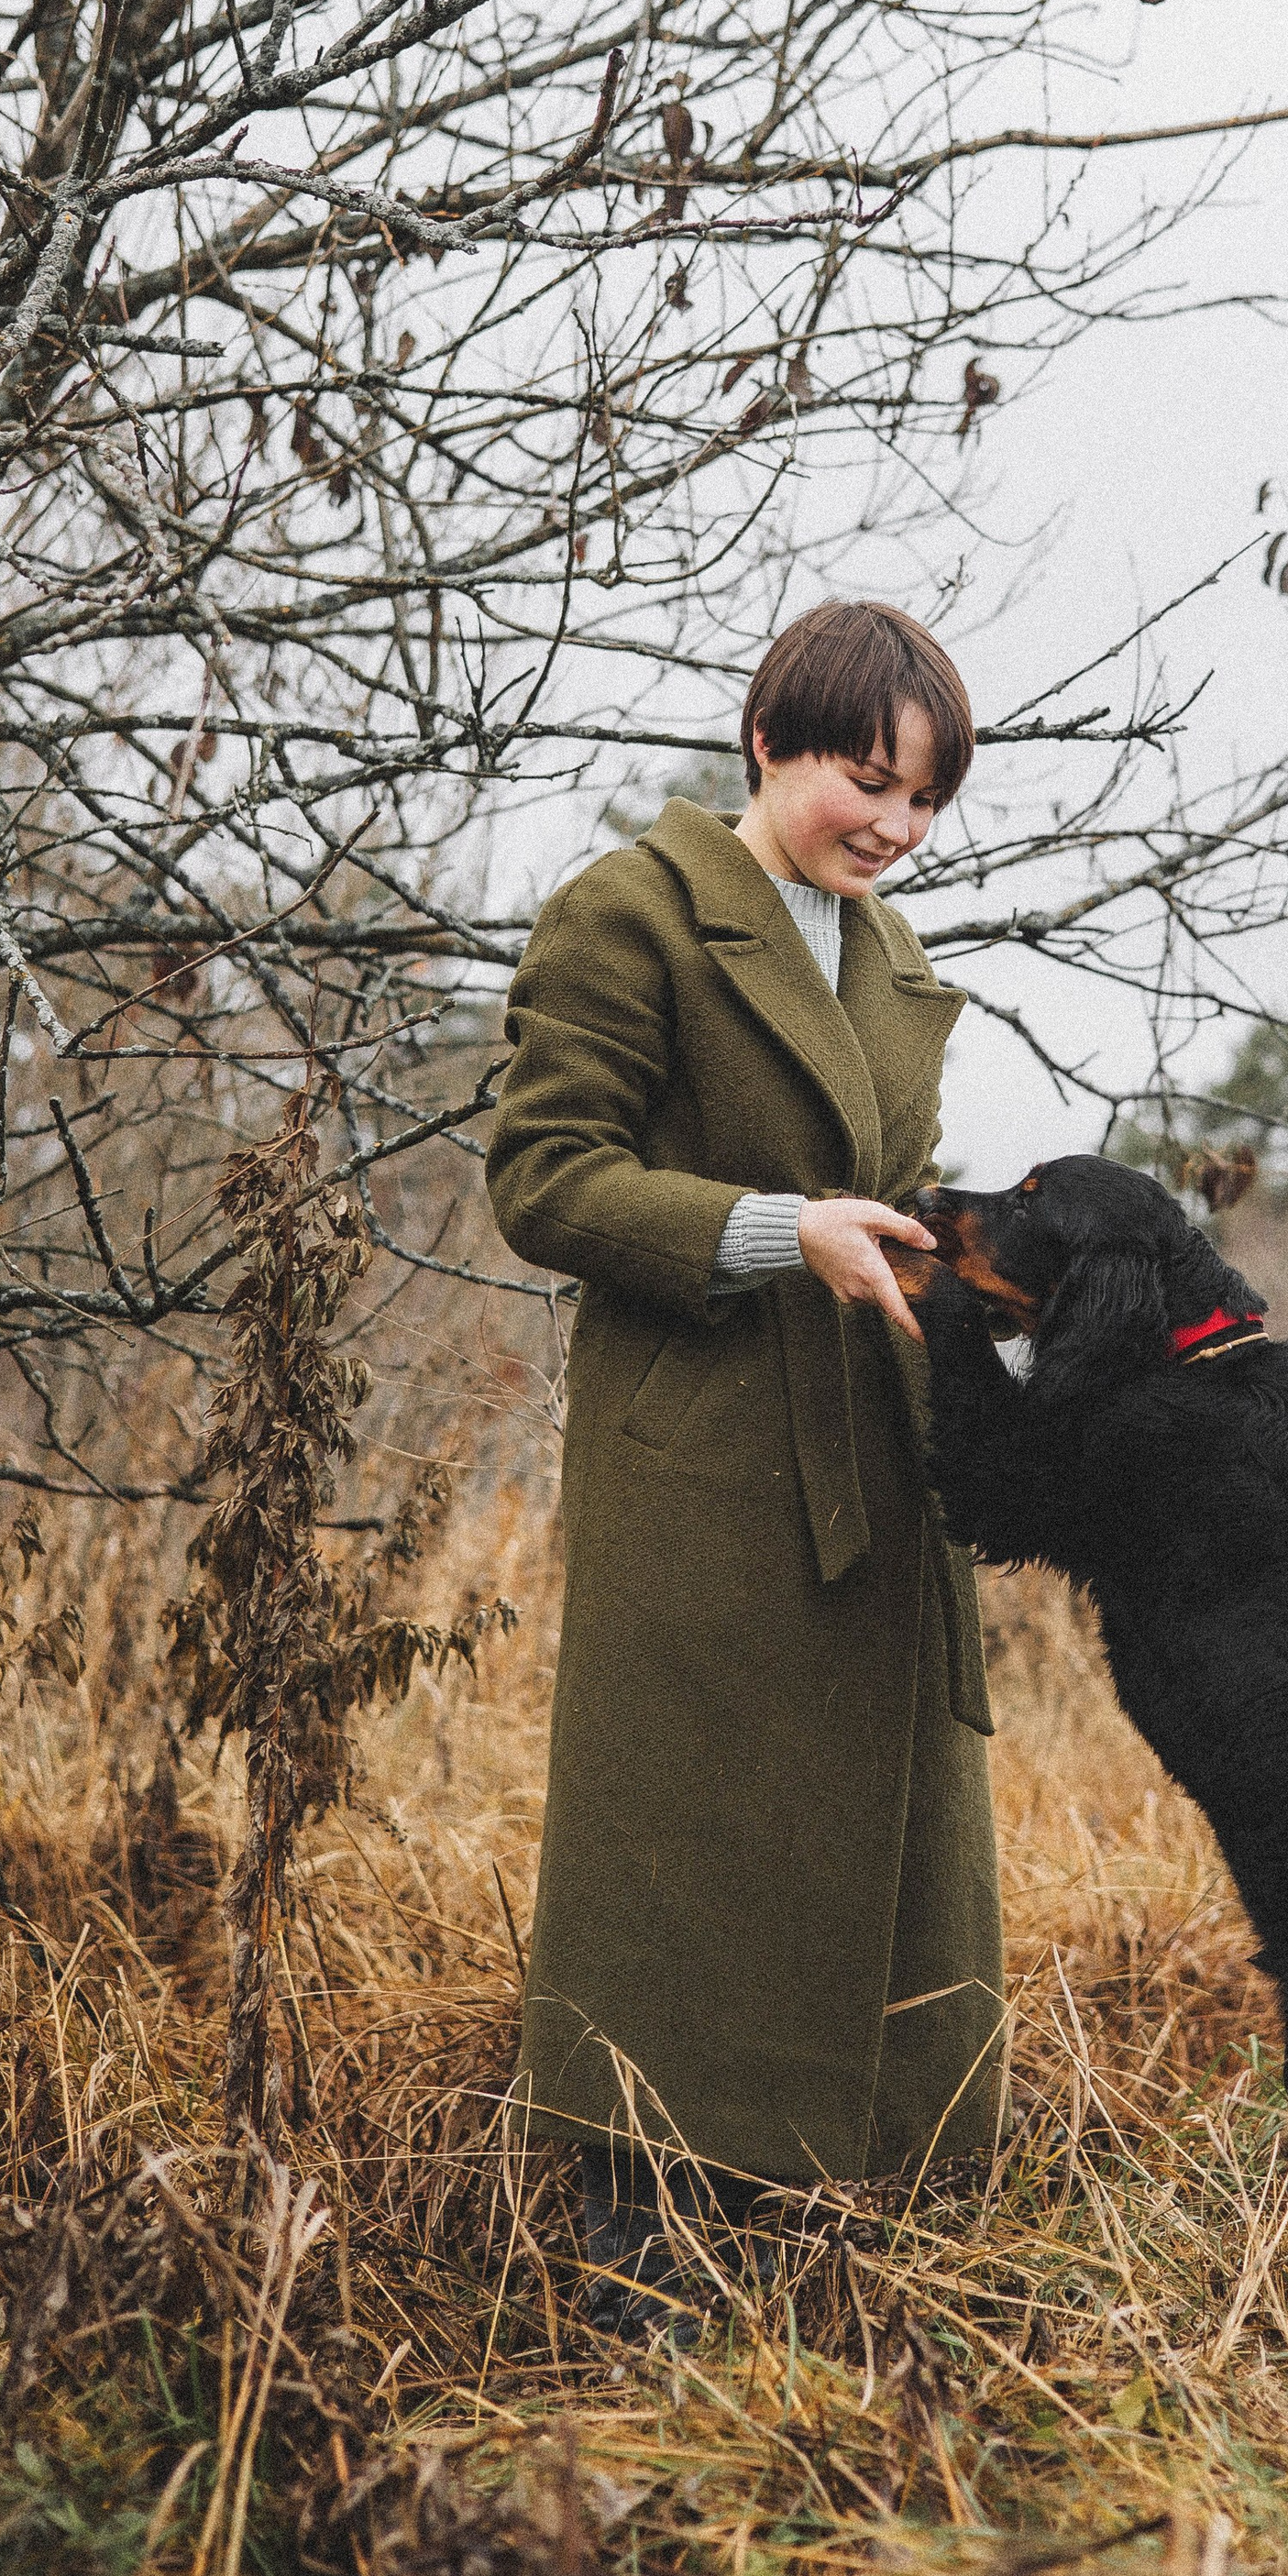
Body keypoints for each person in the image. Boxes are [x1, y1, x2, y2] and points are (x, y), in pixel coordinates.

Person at [484, 600, 1003, 2314]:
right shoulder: (628, 913)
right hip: (702, 1473)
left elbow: (894, 1200)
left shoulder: (893, 954)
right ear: (772, 740)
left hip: (876, 1459)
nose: (896, 826)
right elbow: (546, 1181)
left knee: (877, 1847)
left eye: (926, 800)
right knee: (689, 1856)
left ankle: (841, 2248)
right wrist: (784, 1232)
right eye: (869, 780)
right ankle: (639, 2266)